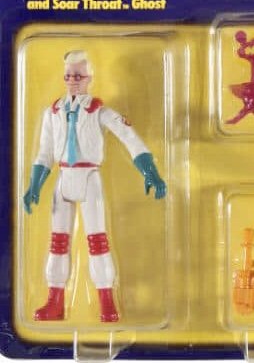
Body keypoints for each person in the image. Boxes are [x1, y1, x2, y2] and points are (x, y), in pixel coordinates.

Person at [23, 50, 166, 322]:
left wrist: (150, 172)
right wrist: (34, 185)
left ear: (89, 78)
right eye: (68, 76)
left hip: (89, 178)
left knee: (97, 241)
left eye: (78, 76)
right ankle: (54, 301)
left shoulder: (99, 111)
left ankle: (106, 302)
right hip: (64, 178)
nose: (72, 81)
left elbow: (129, 137)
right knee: (57, 243)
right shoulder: (53, 112)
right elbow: (45, 153)